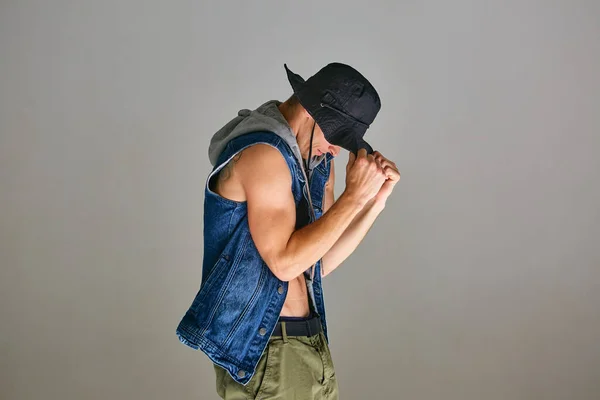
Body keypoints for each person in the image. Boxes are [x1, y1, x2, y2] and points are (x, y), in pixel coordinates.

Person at [176, 62, 400, 399]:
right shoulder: (263, 154)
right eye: (337, 136)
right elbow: (284, 263)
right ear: (314, 113)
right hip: (269, 354)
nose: (336, 150)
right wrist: (353, 198)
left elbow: (316, 265)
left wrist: (374, 202)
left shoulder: (312, 163)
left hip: (307, 343)